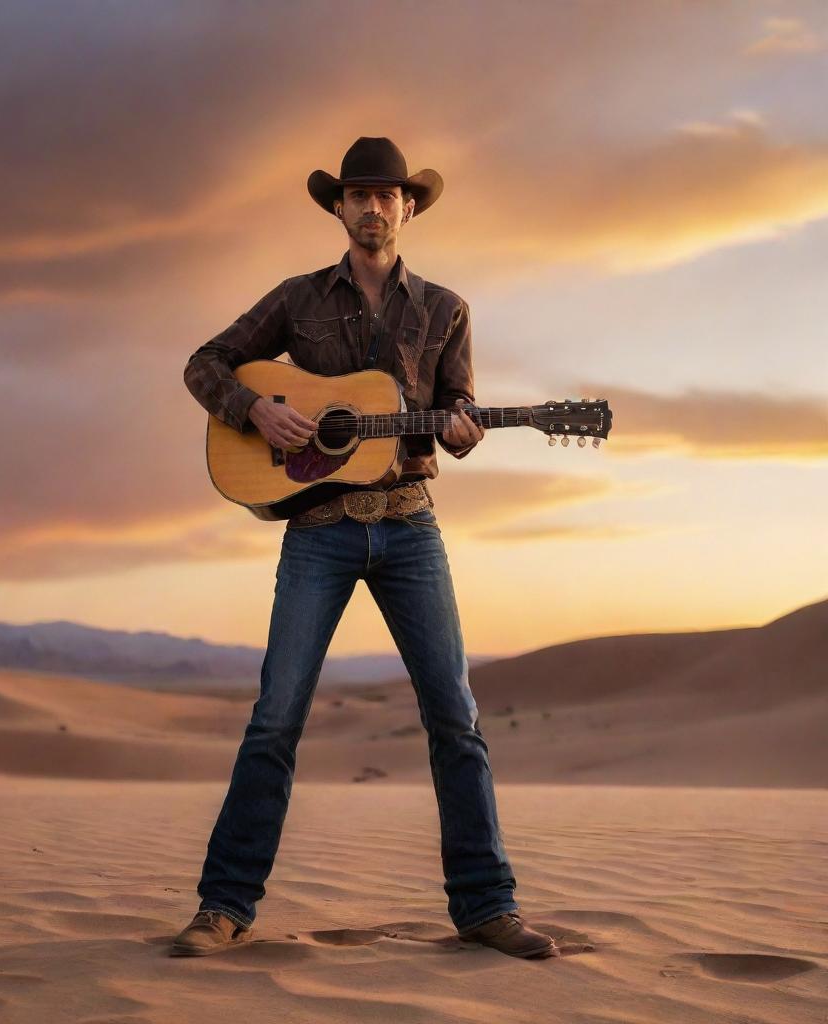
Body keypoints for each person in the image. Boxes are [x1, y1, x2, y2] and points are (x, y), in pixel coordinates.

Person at [172, 138, 556, 959]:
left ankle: (488, 907)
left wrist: (463, 431)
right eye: (359, 195)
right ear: (339, 208)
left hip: (410, 525)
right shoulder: (297, 299)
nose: (374, 207)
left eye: (388, 195)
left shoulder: (446, 309)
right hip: (318, 532)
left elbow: (456, 416)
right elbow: (202, 363)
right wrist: (254, 409)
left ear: (407, 207)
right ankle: (223, 906)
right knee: (276, 718)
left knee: (456, 716)